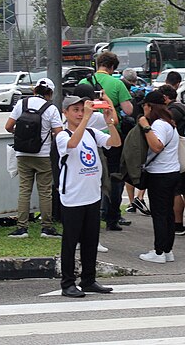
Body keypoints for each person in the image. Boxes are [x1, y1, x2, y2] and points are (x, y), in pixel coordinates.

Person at [57, 95, 121, 297]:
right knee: (70, 241)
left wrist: (109, 121)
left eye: (81, 109)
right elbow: (73, 144)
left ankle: (88, 279)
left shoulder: (92, 133)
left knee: (90, 240)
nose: (78, 114)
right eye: (74, 110)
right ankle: (67, 282)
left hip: (92, 195)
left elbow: (115, 142)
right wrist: (85, 118)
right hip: (73, 197)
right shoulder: (62, 135)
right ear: (65, 113)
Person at [80, 51, 135, 231]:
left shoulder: (83, 82)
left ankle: (92, 215)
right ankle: (112, 217)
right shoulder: (117, 83)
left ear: (97, 64)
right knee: (114, 177)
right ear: (112, 67)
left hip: (86, 136)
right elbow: (128, 111)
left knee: (88, 175)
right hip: (111, 136)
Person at [5, 78, 63, 239]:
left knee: (24, 190)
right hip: (43, 155)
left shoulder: (21, 104)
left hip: (22, 154)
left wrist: (22, 136)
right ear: (50, 93)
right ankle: (46, 228)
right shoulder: (51, 109)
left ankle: (22, 228)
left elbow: (8, 126)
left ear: (34, 90)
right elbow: (59, 133)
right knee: (45, 192)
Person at [137, 90, 181, 264]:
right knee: (167, 213)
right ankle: (167, 250)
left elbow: (157, 146)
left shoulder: (159, 125)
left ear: (149, 106)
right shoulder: (169, 122)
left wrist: (145, 126)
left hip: (160, 174)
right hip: (171, 172)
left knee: (160, 214)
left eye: (144, 106)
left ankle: (159, 251)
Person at [159, 84, 185, 236]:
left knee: (176, 190)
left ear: (165, 97)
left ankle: (177, 223)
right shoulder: (184, 108)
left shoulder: (171, 111)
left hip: (176, 152)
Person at [119, 68, 150, 217]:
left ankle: (131, 202)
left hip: (127, 135)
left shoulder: (122, 91)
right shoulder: (143, 92)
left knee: (128, 167)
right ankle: (140, 197)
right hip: (143, 133)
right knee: (144, 166)